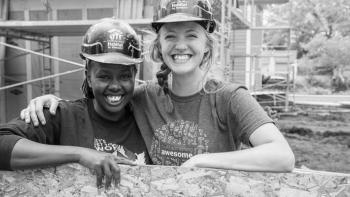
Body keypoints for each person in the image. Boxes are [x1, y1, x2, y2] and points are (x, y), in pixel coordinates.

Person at [20, 0, 295, 172]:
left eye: (191, 35)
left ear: (206, 46)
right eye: (170, 36)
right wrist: (50, 101)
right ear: (159, 47)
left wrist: (201, 162)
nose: (181, 45)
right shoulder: (144, 97)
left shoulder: (229, 98)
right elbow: (106, 93)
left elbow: (282, 156)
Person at [0, 18, 150, 188]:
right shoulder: (63, 116)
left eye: (124, 76)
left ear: (134, 75)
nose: (115, 86)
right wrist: (80, 154)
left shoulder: (146, 117)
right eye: (104, 76)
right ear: (89, 77)